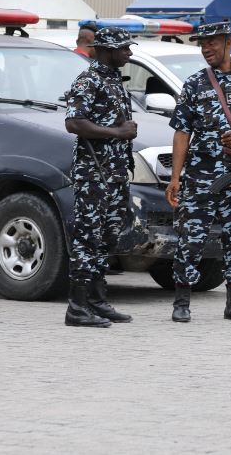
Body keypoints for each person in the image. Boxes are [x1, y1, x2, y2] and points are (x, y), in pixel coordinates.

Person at [166, 21, 231, 322]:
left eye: (211, 43)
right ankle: (182, 302)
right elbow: (181, 132)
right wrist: (175, 177)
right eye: (202, 44)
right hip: (201, 174)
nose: (205, 49)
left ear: (228, 42)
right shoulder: (195, 83)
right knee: (190, 237)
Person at [63, 26, 138, 328]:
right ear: (107, 50)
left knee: (107, 237)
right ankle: (77, 308)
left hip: (114, 173)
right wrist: (116, 133)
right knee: (87, 238)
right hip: (93, 172)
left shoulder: (113, 80)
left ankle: (96, 300)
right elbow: (73, 122)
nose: (129, 53)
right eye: (124, 49)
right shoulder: (88, 80)